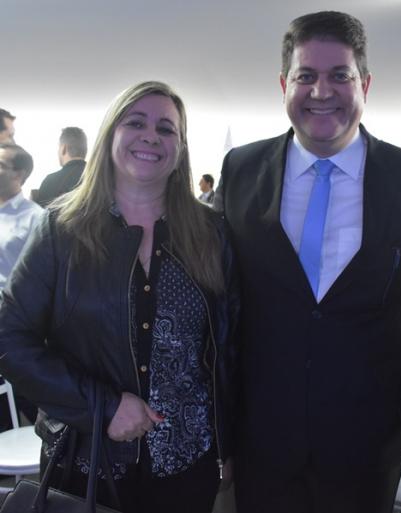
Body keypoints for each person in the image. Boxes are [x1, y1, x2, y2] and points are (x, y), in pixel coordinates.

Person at [215, 10, 401, 513]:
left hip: (367, 445)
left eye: (340, 75)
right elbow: (219, 302)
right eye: (306, 76)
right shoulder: (241, 170)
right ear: (284, 85)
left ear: (365, 84)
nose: (321, 92)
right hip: (262, 441)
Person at [0, 81, 239, 513]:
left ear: (181, 148)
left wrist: (230, 443)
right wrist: (103, 407)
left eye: (166, 128)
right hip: (85, 465)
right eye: (136, 123)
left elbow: (229, 347)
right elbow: (9, 338)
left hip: (189, 466)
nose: (151, 136)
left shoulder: (211, 233)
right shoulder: (61, 230)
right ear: (110, 134)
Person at [0, 142, 42, 430]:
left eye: (1, 165)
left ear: (20, 174)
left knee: (24, 401)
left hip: (14, 324)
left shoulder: (34, 218)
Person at [36, 126, 88, 207]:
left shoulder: (50, 181)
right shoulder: (101, 177)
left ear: (63, 148)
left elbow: (41, 214)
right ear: (85, 150)